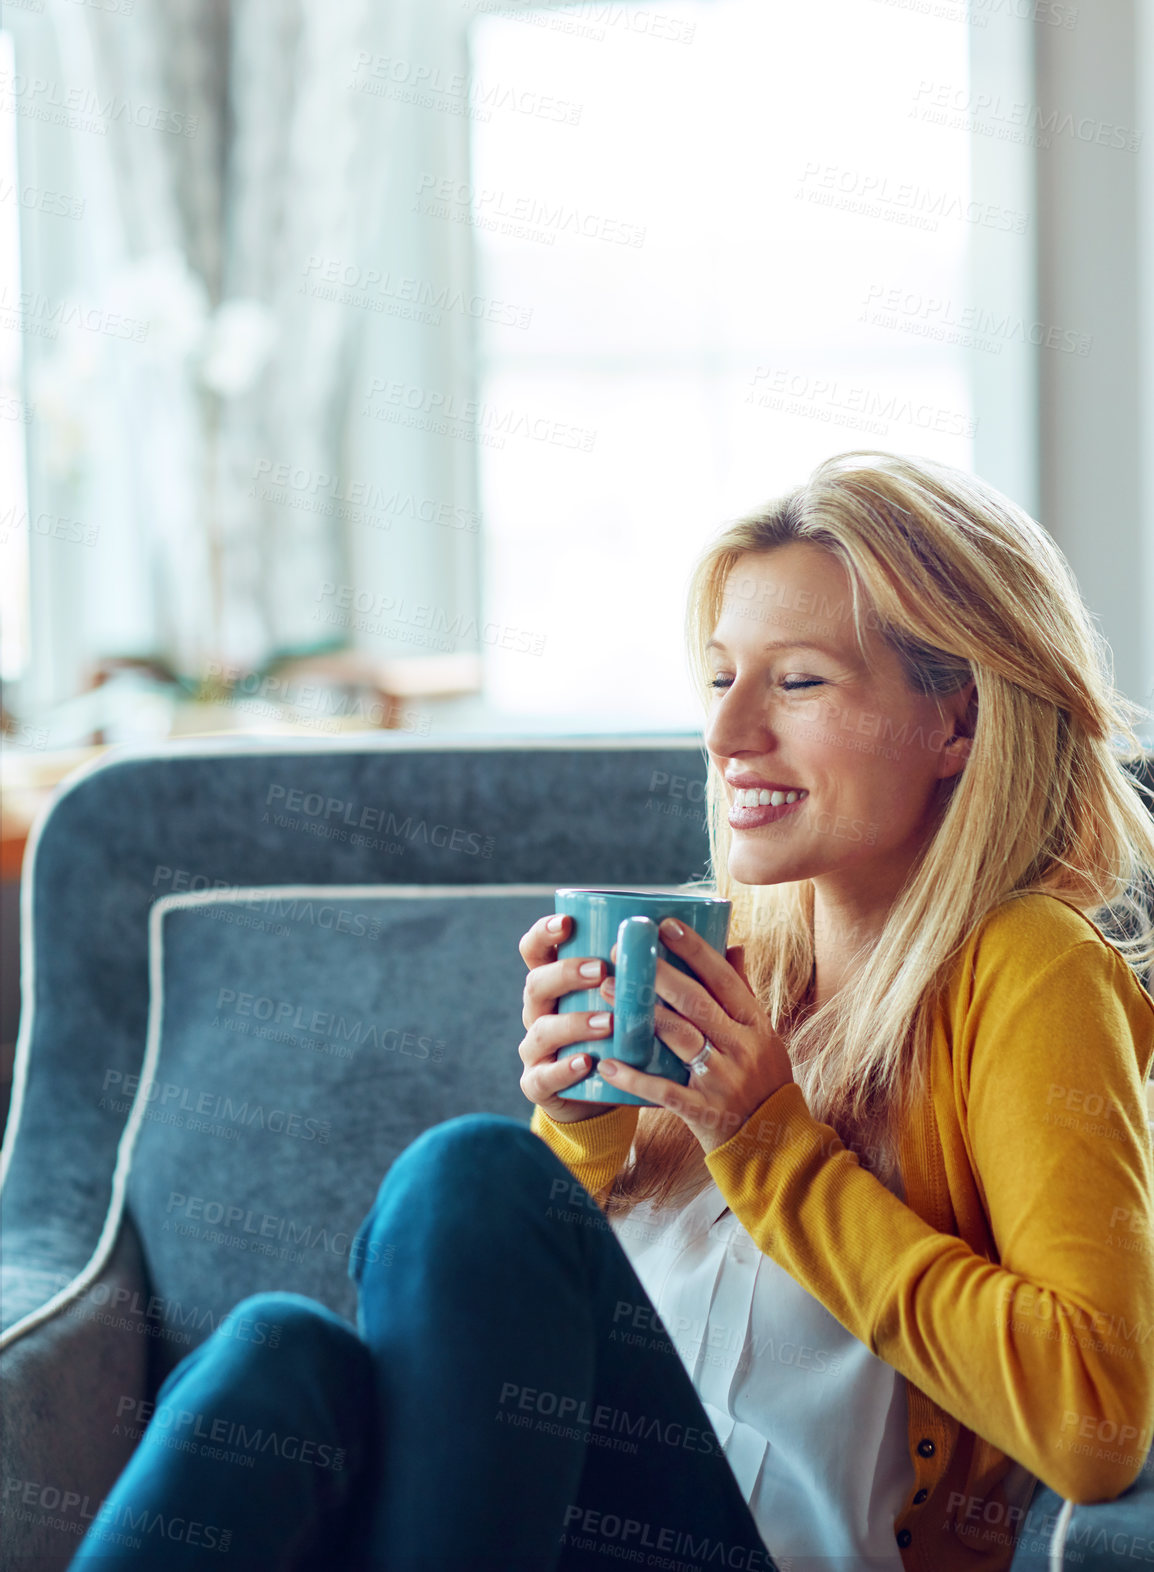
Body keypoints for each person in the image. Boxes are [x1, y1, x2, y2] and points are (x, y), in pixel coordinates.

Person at [68, 451, 1154, 1572]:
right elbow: (515, 1399)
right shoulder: (731, 971)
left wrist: (765, 1141)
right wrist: (580, 1132)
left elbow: (1096, 1422)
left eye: (797, 681)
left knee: (469, 1177)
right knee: (277, 1354)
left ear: (956, 723)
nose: (727, 734)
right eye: (721, 676)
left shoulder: (1027, 970)